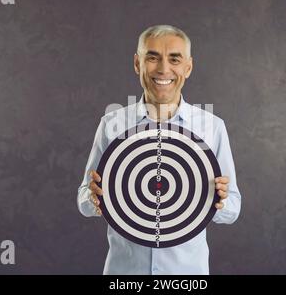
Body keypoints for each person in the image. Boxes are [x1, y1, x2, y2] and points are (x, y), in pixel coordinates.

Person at [77, 25, 241, 275]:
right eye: (152, 57)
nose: (163, 69)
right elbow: (83, 200)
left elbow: (233, 209)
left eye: (174, 59)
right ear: (137, 63)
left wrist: (220, 200)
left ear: (188, 67)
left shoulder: (212, 127)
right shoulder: (112, 124)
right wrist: (93, 197)